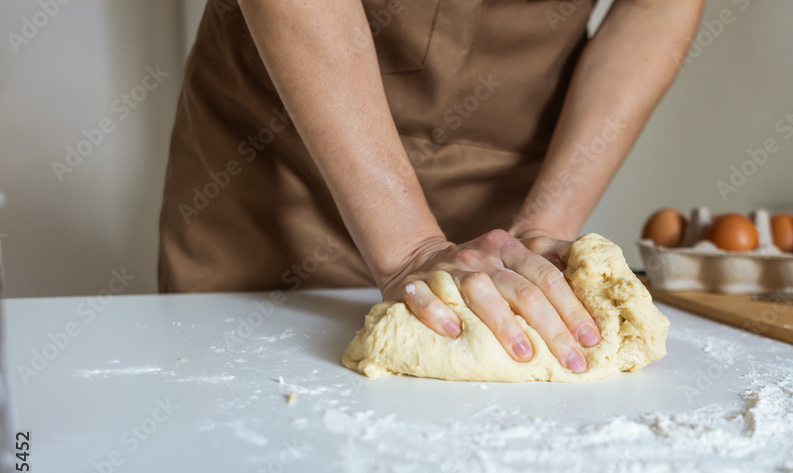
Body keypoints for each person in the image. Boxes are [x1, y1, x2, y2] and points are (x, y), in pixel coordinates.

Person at [158, 0, 703, 374]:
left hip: (514, 155)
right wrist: (409, 250)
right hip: (281, 142)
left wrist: (545, 225)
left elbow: (655, 6)